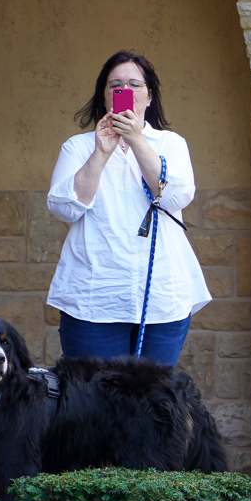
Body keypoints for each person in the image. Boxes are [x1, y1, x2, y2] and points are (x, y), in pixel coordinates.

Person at [45, 51, 209, 366]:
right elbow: (65, 208)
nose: (126, 91)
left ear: (149, 96)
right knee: (94, 401)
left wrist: (136, 140)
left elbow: (175, 196)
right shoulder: (77, 147)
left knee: (154, 402)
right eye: (116, 84)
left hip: (162, 296)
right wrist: (101, 152)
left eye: (135, 84)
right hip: (94, 296)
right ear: (105, 96)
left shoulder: (170, 144)